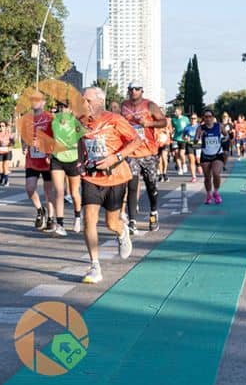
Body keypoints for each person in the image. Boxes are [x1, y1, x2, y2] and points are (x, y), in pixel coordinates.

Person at [77, 86, 142, 284]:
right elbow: (80, 141)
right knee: (89, 220)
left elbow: (136, 140)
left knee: (111, 223)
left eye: (88, 100)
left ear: (99, 101)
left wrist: (116, 157)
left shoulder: (115, 119)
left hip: (115, 177)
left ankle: (122, 232)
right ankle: (94, 265)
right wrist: (80, 161)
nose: (84, 104)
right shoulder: (81, 121)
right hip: (91, 177)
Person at [120, 81, 167, 234]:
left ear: (142, 91)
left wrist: (149, 123)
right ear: (128, 90)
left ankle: (153, 212)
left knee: (151, 185)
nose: (134, 91)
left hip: (148, 152)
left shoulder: (150, 105)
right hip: (131, 152)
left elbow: (163, 122)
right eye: (131, 89)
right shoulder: (124, 106)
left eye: (137, 89)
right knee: (132, 186)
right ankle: (132, 221)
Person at [49, 102, 85, 237]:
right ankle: (60, 224)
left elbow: (82, 141)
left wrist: (73, 146)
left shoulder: (76, 123)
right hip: (57, 159)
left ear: (71, 109)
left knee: (74, 192)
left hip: (73, 160)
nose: (63, 109)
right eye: (61, 107)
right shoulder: (54, 121)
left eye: (66, 107)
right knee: (59, 191)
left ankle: (77, 217)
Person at [21, 91, 55, 232]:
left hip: (47, 159)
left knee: (48, 191)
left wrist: (43, 143)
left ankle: (51, 218)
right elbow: (23, 137)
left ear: (43, 102)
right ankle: (40, 210)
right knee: (30, 188)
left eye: (38, 99)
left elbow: (56, 138)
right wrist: (24, 145)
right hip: (32, 160)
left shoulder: (50, 118)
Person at [195, 109, 224, 205]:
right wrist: (198, 137)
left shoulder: (219, 126)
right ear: (203, 118)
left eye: (209, 116)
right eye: (206, 117)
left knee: (216, 174)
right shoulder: (200, 128)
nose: (208, 118)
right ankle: (208, 194)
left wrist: (224, 140)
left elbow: (227, 136)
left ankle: (216, 192)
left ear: (213, 117)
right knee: (207, 177)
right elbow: (194, 143)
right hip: (205, 155)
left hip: (217, 154)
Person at [170, 107, 190, 175]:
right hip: (175, 138)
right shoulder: (173, 119)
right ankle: (180, 168)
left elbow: (188, 127)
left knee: (181, 153)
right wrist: (171, 132)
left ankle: (184, 164)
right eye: (174, 112)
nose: (175, 113)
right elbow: (172, 128)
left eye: (176, 111)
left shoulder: (185, 119)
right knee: (176, 154)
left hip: (183, 138)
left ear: (180, 112)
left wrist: (188, 135)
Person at [182, 114, 201, 182]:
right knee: (191, 160)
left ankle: (198, 165)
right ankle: (193, 176)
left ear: (197, 119)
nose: (193, 120)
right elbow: (183, 136)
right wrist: (185, 138)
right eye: (191, 118)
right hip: (189, 145)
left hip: (198, 145)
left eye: (194, 118)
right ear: (189, 119)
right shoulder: (187, 127)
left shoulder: (200, 126)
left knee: (198, 159)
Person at [0, 121, 14, 186]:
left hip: (7, 152)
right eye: (0, 126)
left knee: (5, 167)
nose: (1, 127)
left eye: (3, 126)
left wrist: (10, 146)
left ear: (5, 127)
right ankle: (2, 176)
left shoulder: (9, 134)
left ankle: (6, 180)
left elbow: (12, 142)